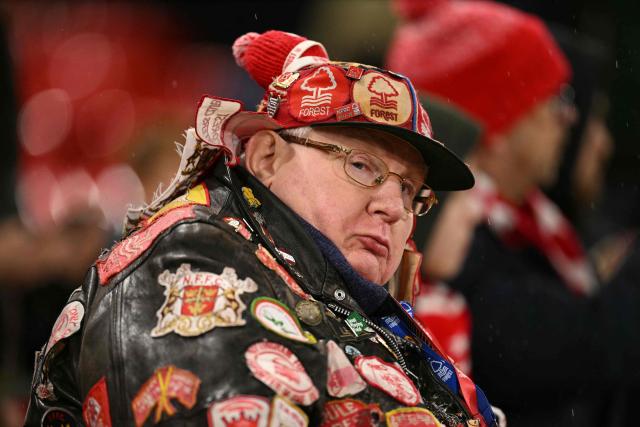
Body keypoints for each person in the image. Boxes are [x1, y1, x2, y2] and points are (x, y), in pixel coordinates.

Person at [25, 30, 499, 426]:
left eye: (412, 192)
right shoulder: (188, 266)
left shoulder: (338, 295)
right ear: (267, 157)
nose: (394, 208)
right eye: (361, 166)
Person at [387, 1, 639, 426]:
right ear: (498, 126)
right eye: (556, 97)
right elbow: (589, 349)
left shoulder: (529, 223)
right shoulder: (456, 246)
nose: (569, 118)